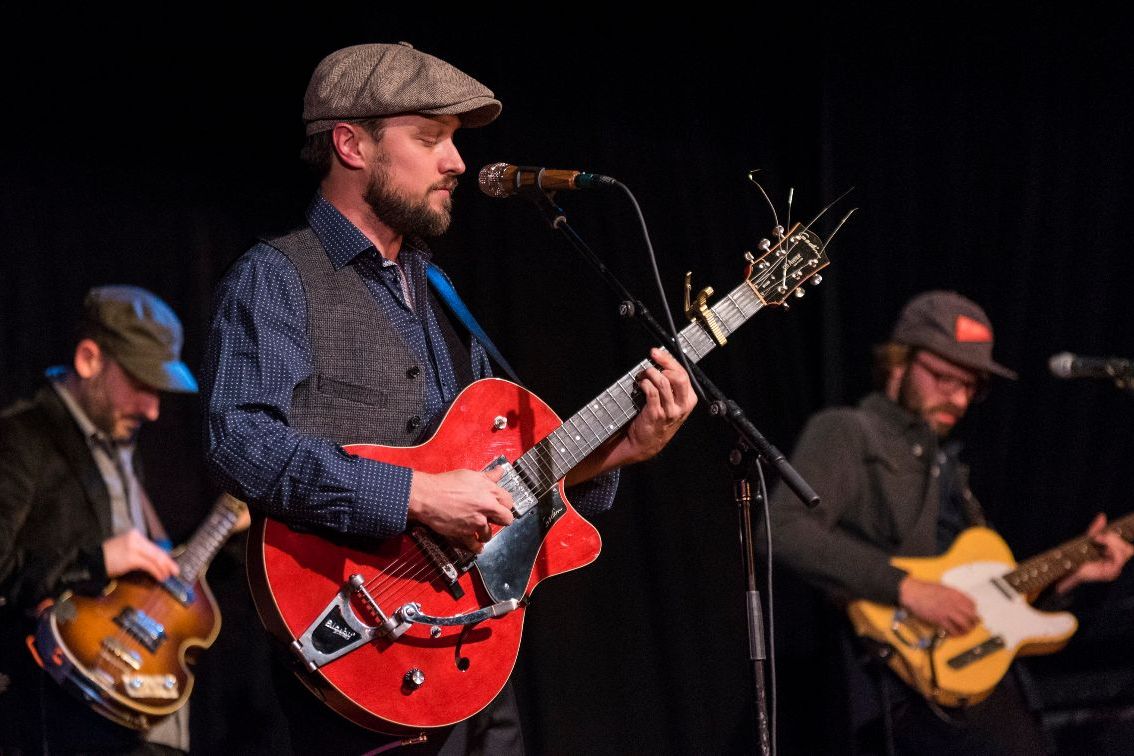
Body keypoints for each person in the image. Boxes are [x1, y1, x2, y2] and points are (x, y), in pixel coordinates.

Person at [202, 42, 696, 754]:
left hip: (469, 654)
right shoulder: (277, 278)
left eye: (455, 142)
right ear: (351, 144)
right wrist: (415, 495)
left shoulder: (436, 291)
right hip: (359, 649)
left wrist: (623, 449)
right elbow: (239, 443)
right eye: (430, 138)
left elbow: (505, 480)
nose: (456, 162)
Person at [767, 290, 1133, 755]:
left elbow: (982, 586)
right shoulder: (847, 431)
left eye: (971, 386)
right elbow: (781, 527)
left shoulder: (946, 465)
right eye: (944, 378)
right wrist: (908, 588)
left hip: (984, 681)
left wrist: (1071, 577)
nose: (958, 397)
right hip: (906, 687)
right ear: (899, 363)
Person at [0, 285, 199, 754]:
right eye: (142, 384)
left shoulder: (119, 442)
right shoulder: (22, 438)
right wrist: (96, 560)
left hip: (139, 717)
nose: (153, 409)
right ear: (90, 360)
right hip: (58, 720)